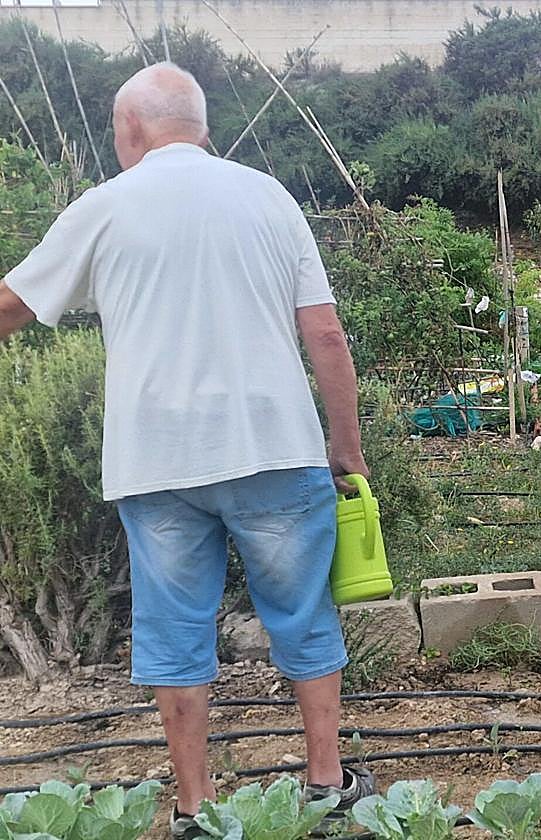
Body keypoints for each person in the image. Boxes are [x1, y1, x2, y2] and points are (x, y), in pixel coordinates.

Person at [0, 63, 373, 835]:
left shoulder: (104, 207)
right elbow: (326, 333)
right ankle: (328, 785)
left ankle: (195, 808)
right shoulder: (269, 197)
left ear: (130, 127)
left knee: (175, 633)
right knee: (303, 617)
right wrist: (346, 448)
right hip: (274, 447)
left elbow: (12, 304)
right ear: (198, 126)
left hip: (158, 460)